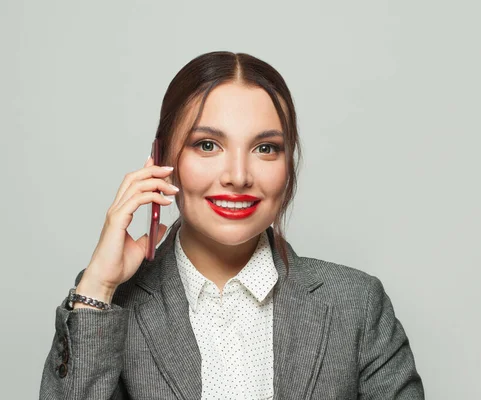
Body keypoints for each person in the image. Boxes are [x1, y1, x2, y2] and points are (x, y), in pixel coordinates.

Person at [39, 51, 425, 399]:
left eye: (265, 148)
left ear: (288, 166)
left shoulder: (356, 304)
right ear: (160, 159)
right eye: (207, 144)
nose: (238, 176)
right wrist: (99, 287)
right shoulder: (109, 308)